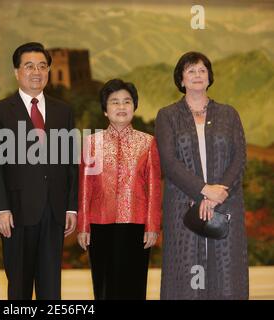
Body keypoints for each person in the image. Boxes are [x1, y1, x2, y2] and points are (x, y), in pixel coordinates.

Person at [0, 42, 78, 300]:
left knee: (51, 288)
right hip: (16, 211)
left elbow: (71, 162)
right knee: (19, 288)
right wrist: (0, 209)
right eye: (29, 66)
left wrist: (71, 207)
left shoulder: (63, 111)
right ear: (16, 72)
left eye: (43, 66)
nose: (37, 72)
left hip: (55, 210)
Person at [155, 51, 248, 299]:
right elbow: (169, 162)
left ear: (209, 78)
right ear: (181, 80)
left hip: (225, 202)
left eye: (202, 70)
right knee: (186, 275)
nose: (197, 75)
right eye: (190, 71)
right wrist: (203, 190)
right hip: (183, 205)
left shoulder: (229, 114)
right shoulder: (168, 116)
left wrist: (218, 193)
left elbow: (239, 158)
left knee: (227, 273)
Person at [77, 79, 161, 300]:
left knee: (133, 287)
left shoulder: (148, 142)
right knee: (104, 287)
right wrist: (83, 225)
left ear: (134, 106)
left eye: (127, 101)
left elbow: (153, 187)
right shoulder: (92, 143)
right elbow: (85, 186)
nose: (121, 107)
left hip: (136, 225)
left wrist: (152, 225)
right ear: (105, 110)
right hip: (99, 224)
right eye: (114, 102)